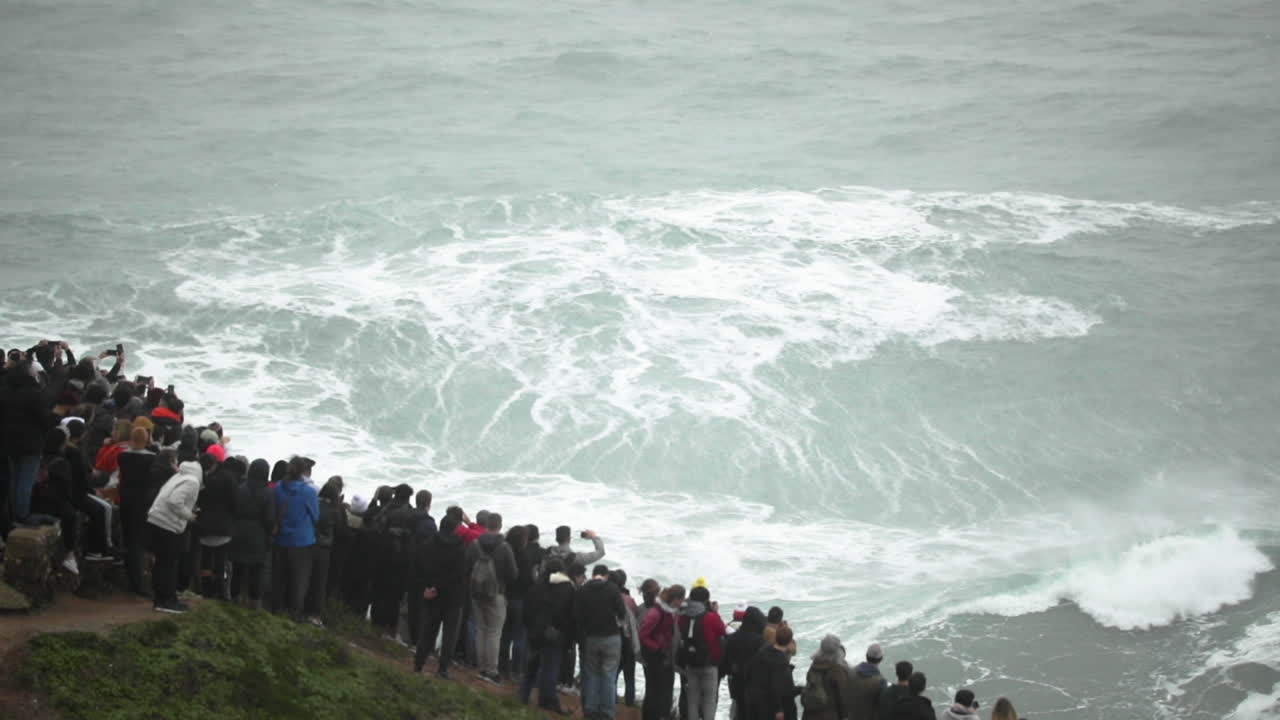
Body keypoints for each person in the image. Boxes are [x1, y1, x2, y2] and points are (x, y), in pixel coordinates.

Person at [466, 511, 519, 683]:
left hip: (476, 592)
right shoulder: (504, 547)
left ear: (486, 525)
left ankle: (481, 667)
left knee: (481, 629)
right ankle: (492, 670)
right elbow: (513, 574)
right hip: (496, 593)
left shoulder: (475, 544)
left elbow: (466, 565)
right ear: (500, 526)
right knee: (494, 632)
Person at [413, 515, 468, 679]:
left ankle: (418, 664)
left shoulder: (426, 545)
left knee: (427, 630)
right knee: (450, 634)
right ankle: (442, 669)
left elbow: (417, 568)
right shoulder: (460, 548)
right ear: (455, 529)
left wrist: (427, 587)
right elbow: (459, 574)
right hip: (453, 596)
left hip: (431, 594)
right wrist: (440, 587)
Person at [521, 558, 576, 713]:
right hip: (555, 634)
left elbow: (526, 611)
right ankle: (548, 700)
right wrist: (568, 638)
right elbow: (571, 616)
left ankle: (524, 695)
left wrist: (531, 628)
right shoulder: (568, 589)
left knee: (531, 665)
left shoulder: (537, 587)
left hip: (535, 632)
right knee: (550, 668)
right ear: (562, 571)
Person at [147, 459, 202, 614]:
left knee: (161, 562)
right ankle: (168, 601)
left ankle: (160, 599)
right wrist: (189, 516)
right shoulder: (193, 482)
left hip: (156, 519)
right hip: (167, 524)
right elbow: (175, 500)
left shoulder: (179, 476)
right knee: (170, 564)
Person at [2, 360, 51, 531]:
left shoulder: (5, 392)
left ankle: (11, 514)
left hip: (8, 441)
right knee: (25, 481)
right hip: (31, 443)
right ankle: (22, 515)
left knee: (13, 479)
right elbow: (44, 420)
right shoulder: (35, 393)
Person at [574, 563, 627, 720]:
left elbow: (577, 616)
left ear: (593, 575)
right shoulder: (612, 589)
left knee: (592, 674)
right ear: (606, 575)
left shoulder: (583, 590)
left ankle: (591, 709)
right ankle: (607, 712)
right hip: (611, 637)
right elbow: (622, 613)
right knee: (609, 676)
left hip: (591, 638)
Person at [272, 456, 319, 621]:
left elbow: (274, 510)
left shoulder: (278, 487)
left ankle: (275, 610)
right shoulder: (309, 492)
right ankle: (294, 615)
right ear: (303, 472)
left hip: (280, 539)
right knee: (299, 581)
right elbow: (315, 517)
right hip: (302, 541)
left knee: (279, 577)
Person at [30, 427, 80, 574]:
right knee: (72, 514)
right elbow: (66, 491)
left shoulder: (35, 457)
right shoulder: (62, 463)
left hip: (32, 502)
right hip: (53, 505)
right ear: (61, 444)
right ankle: (70, 554)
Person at [118, 426, 158, 595]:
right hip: (143, 504)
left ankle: (130, 579)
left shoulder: (123, 456)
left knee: (128, 540)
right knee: (138, 543)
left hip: (125, 501)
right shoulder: (152, 459)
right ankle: (139, 584)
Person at [678, 585, 728, 720]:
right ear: (706, 601)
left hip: (690, 662)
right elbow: (722, 631)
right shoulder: (710, 617)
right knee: (709, 700)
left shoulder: (682, 617)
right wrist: (714, 611)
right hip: (709, 662)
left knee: (692, 699)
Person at [229, 458, 273, 608]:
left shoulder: (240, 488)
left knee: (237, 570)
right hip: (258, 536)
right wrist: (268, 534)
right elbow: (269, 519)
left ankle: (233, 601)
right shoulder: (268, 493)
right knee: (256, 573)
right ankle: (254, 605)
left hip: (238, 531)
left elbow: (233, 510)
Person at [195, 454, 239, 599]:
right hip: (224, 525)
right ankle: (220, 592)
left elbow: (198, 500)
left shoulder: (202, 478)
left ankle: (206, 591)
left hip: (205, 524)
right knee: (221, 559)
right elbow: (234, 503)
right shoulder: (228, 478)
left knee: (206, 559)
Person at [640, 584, 685, 720]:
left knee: (659, 690)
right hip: (656, 656)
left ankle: (658, 715)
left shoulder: (668, 611)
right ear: (675, 599)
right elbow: (642, 635)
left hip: (664, 655)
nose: (682, 602)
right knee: (655, 690)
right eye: (681, 599)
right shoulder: (656, 613)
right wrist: (657, 648)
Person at [307, 477, 344, 625]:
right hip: (324, 549)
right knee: (319, 583)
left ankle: (297, 608)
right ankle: (315, 615)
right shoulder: (335, 511)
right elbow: (340, 529)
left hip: (308, 544)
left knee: (305, 578)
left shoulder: (314, 503)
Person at [743, 623, 799, 720]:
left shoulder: (762, 651)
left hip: (755, 698)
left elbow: (748, 670)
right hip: (769, 705)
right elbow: (776, 687)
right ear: (789, 641)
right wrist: (779, 709)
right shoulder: (781, 662)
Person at [722, 606, 767, 720]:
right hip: (755, 682)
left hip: (737, 680)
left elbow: (726, 660)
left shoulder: (733, 638)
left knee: (740, 710)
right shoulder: (760, 640)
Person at [499, 525, 532, 682]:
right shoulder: (524, 557)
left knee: (504, 635)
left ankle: (502, 668)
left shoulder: (504, 551)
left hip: (504, 597)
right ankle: (517, 671)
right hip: (519, 599)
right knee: (519, 636)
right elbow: (527, 580)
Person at [800, 635, 852, 720]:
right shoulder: (837, 670)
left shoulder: (814, 666)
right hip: (829, 715)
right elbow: (843, 699)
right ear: (837, 651)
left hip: (809, 715)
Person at [611, 569, 641, 708]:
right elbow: (636, 616)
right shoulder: (629, 600)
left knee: (613, 673)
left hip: (613, 639)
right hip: (628, 642)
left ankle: (612, 698)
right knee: (630, 675)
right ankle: (630, 703)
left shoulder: (609, 596)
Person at [847, 643, 888, 720]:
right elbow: (883, 706)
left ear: (866, 656)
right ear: (881, 659)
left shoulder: (851, 671)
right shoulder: (881, 681)